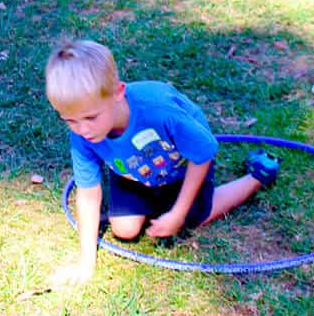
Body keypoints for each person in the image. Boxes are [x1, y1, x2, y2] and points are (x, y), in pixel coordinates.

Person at [45, 39, 280, 285]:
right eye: (70, 120)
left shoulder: (158, 111)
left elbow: (202, 155)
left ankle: (257, 176)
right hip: (133, 170)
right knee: (124, 230)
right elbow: (88, 193)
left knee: (195, 215)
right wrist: (86, 264)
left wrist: (178, 212)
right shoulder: (82, 135)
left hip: (184, 163)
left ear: (118, 93)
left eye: (91, 117)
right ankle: (158, 199)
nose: (82, 129)